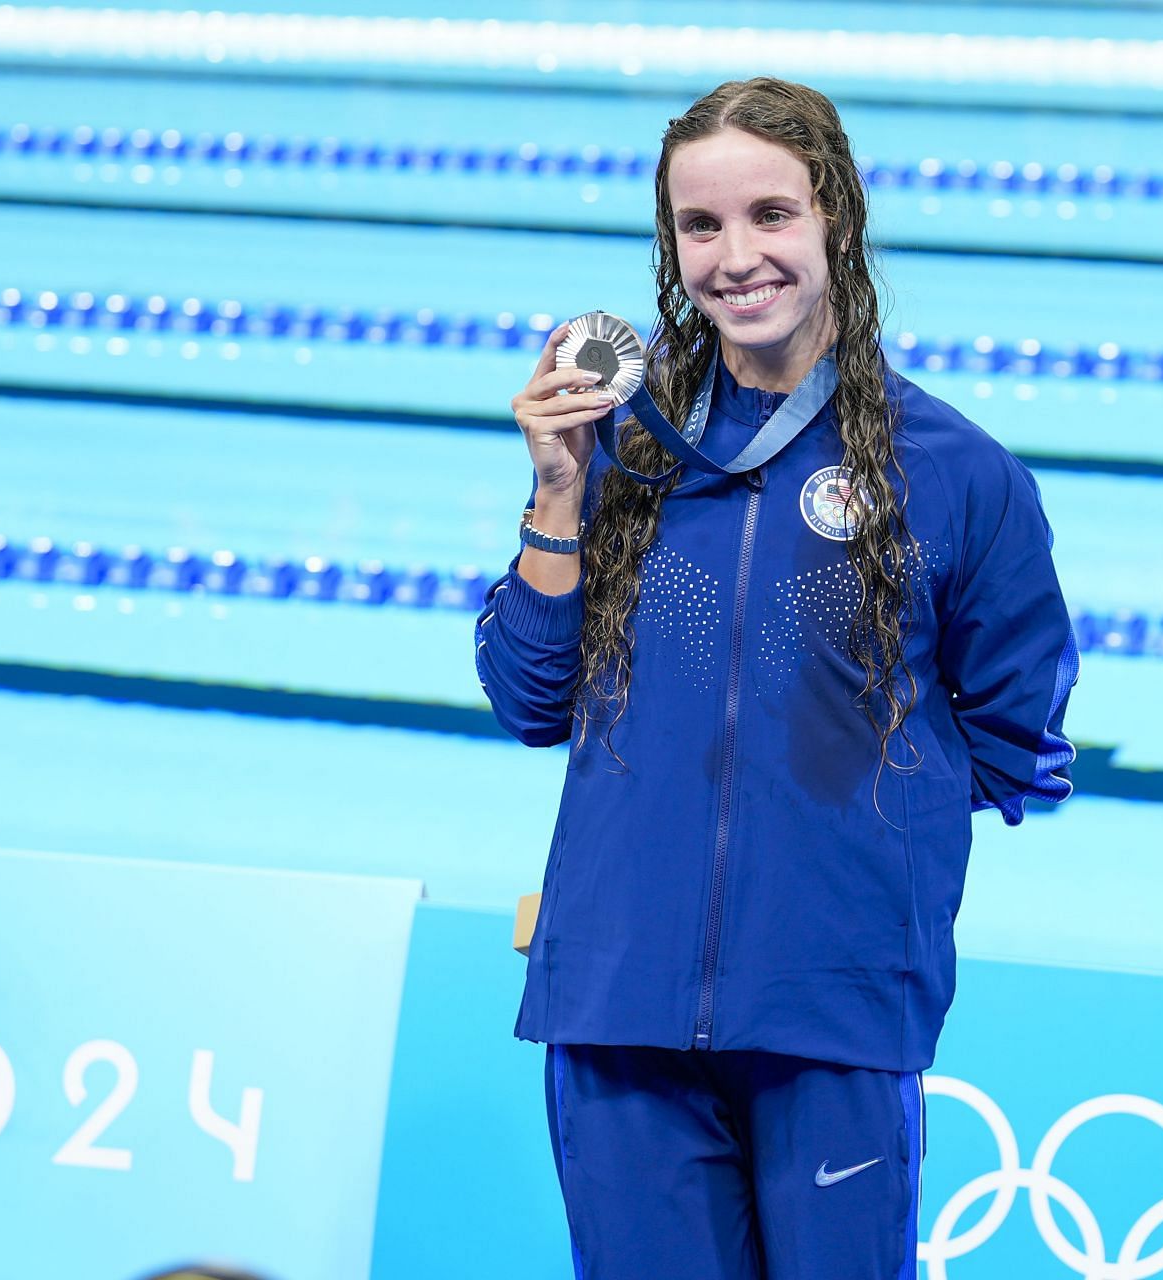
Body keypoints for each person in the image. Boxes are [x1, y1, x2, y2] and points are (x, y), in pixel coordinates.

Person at [474, 77, 1078, 1280]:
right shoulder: (621, 450)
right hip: (616, 1001)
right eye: (702, 227)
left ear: (835, 221)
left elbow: (1019, 743)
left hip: (832, 1008)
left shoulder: (955, 473)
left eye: (770, 215)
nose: (737, 256)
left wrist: (835, 850)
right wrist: (554, 487)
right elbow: (529, 699)